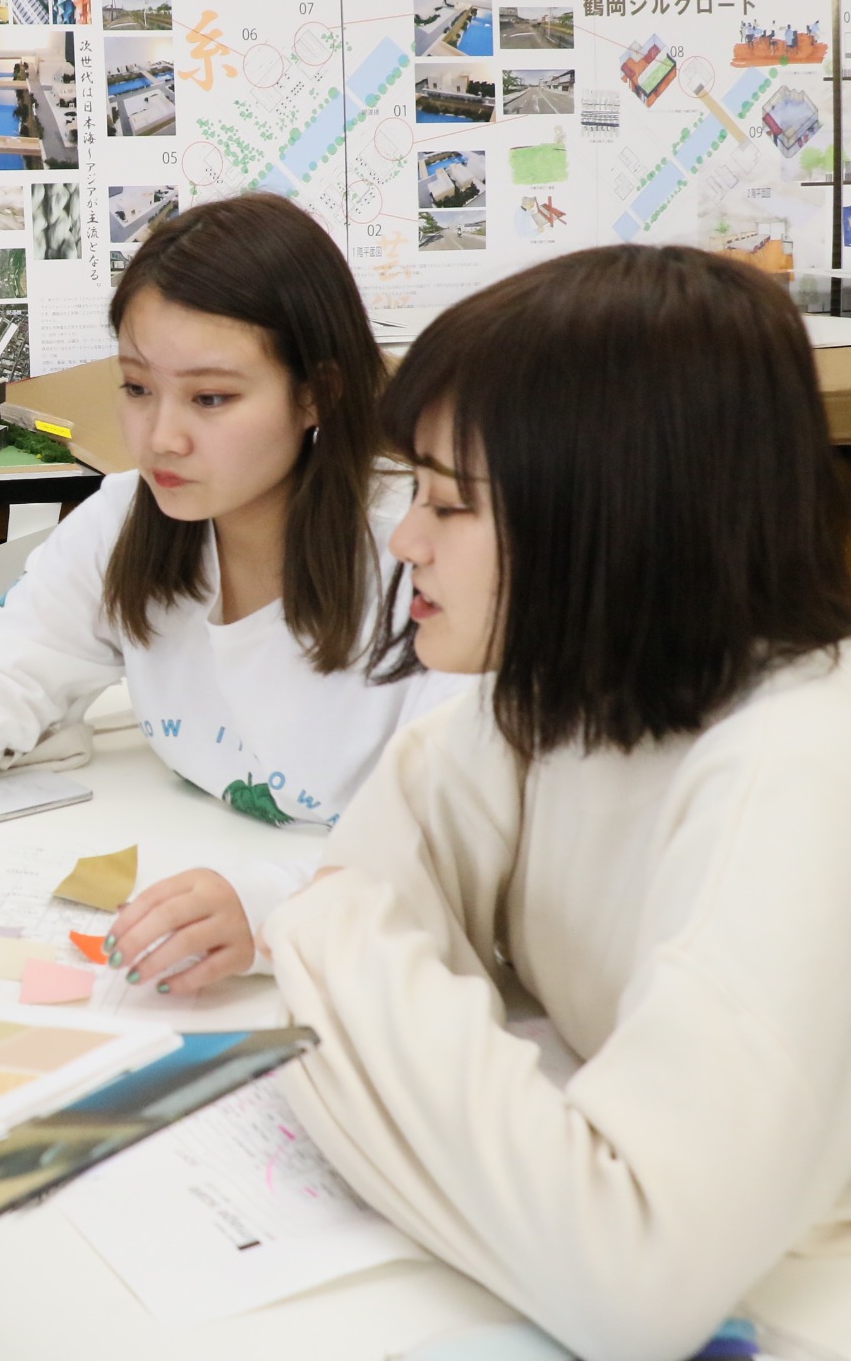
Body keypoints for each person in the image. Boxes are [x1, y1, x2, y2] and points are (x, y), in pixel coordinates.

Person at [263, 246, 851, 1361]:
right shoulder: (552, 701)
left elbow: (632, 1286)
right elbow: (339, 976)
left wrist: (326, 935)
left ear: (609, 510)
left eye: (446, 502)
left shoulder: (796, 769)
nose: (403, 540)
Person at [0, 195, 466, 988]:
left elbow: (470, 850)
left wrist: (269, 914)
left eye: (212, 398)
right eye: (136, 387)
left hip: (364, 974)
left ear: (315, 392)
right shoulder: (134, 516)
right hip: (183, 919)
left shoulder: (426, 553)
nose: (162, 437)